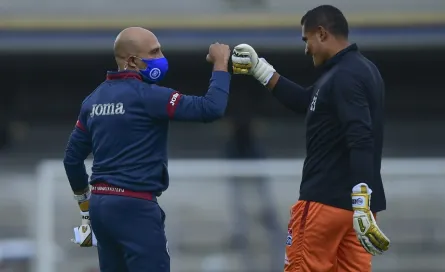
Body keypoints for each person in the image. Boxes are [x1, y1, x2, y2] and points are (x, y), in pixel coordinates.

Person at [231, 5, 390, 272]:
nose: (306, 49)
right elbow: (307, 101)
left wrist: (361, 200)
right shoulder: (358, 70)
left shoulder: (344, 76)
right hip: (355, 212)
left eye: (307, 40)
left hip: (325, 203)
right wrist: (260, 69)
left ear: (322, 33)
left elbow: (360, 137)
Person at [63, 27, 231, 272]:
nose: (162, 57)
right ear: (132, 61)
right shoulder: (149, 96)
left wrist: (85, 208)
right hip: (135, 207)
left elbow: (71, 160)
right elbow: (211, 108)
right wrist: (221, 64)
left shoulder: (93, 101)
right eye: (155, 52)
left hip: (100, 207)